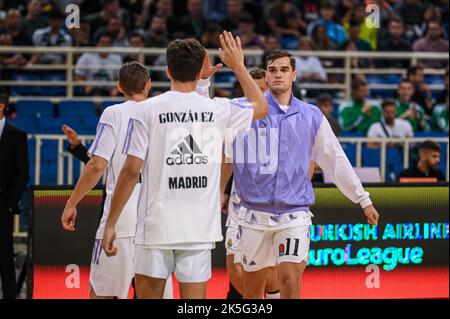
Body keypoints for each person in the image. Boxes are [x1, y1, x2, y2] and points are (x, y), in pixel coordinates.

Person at [101, 33, 268, 299]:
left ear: (167, 70)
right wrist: (237, 65)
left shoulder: (146, 109)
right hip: (198, 227)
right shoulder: (218, 109)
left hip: (156, 224)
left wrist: (111, 223)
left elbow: (131, 170)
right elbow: (261, 105)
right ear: (200, 68)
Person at [221, 49, 379, 299]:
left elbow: (335, 158)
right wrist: (203, 85)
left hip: (294, 213)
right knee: (252, 293)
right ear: (266, 75)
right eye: (272, 70)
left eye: (284, 70)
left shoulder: (311, 115)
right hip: (252, 215)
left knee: (290, 279)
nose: (278, 75)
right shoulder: (244, 111)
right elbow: (208, 120)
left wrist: (363, 198)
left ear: (294, 74)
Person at [61, 62, 186, 299]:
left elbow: (97, 165)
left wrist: (71, 203)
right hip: (158, 221)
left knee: (103, 294)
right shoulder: (163, 114)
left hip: (121, 220)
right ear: (148, 85)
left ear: (119, 87)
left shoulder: (114, 113)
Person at [224, 68, 280, 300]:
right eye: (253, 89)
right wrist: (220, 191)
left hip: (272, 203)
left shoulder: (281, 118)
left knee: (270, 266)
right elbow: (227, 159)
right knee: (233, 265)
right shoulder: (236, 117)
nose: (258, 94)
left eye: (262, 90)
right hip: (240, 203)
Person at [0, 86, 29, 299]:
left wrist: (10, 203)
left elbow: (22, 174)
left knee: (5, 257)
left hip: (2, 204)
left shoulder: (17, 136)